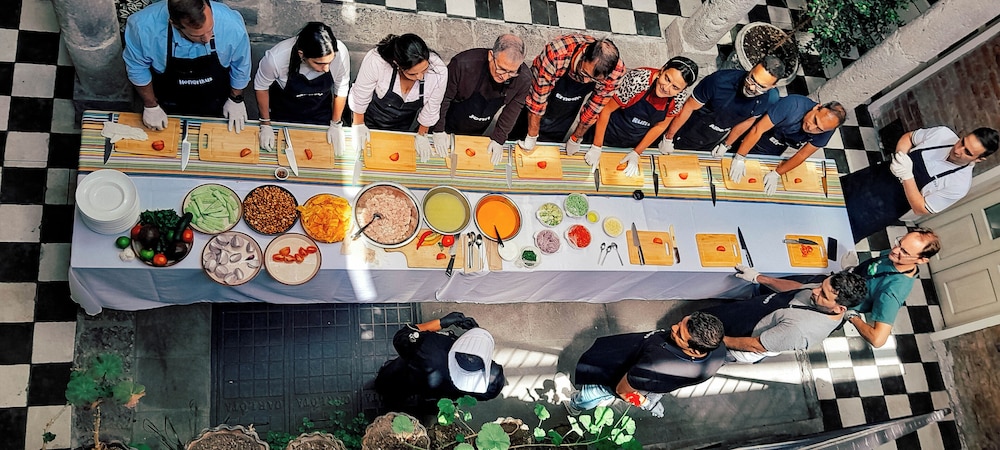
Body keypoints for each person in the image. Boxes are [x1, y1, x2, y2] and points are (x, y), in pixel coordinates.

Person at [843, 126, 999, 242]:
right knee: (830, 194)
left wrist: (907, 176)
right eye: (962, 142)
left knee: (840, 232)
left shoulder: (959, 185)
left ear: (979, 159)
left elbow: (920, 208)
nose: (958, 150)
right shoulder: (942, 134)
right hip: (869, 179)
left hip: (879, 210)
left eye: (968, 152)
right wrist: (900, 156)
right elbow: (909, 138)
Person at [123, 0, 252, 132]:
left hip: (217, 99)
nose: (207, 39)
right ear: (174, 24)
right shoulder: (142, 27)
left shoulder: (231, 24)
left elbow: (241, 65)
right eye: (198, 36)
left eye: (210, 29)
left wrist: (236, 98)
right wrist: (151, 105)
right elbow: (137, 68)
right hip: (167, 101)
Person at [568, 312, 726, 417]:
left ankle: (575, 405)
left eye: (679, 334)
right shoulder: (717, 352)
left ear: (694, 350)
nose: (673, 327)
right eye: (680, 323)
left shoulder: (656, 365)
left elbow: (623, 391)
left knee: (594, 392)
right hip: (636, 366)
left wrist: (646, 404)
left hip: (616, 378)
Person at [702, 269, 867, 363]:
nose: (815, 291)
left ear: (839, 309)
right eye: (820, 286)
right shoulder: (822, 290)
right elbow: (798, 288)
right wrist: (759, 278)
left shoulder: (800, 330)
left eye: (823, 294)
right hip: (746, 313)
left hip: (739, 341)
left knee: (697, 351)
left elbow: (756, 345)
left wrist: (715, 340)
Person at [583, 57, 699, 177]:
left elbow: (660, 126)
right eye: (667, 79)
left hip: (634, 142)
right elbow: (606, 111)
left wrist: (636, 152)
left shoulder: (678, 98)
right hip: (607, 132)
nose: (666, 88)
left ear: (683, 89)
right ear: (662, 70)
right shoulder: (638, 80)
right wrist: (597, 146)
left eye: (675, 87)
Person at [513, 34, 626, 156]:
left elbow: (594, 108)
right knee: (518, 131)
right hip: (540, 96)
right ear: (583, 55)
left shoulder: (616, 72)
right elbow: (537, 101)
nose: (586, 81)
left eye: (594, 79)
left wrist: (576, 138)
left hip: (567, 107)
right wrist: (532, 135)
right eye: (585, 73)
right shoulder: (557, 54)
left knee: (551, 142)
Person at [431, 34, 532, 165]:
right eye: (501, 69)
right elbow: (443, 98)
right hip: (449, 119)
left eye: (512, 72)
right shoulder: (463, 64)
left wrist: (498, 139)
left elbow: (513, 109)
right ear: (491, 56)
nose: (505, 77)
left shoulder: (523, 79)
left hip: (478, 128)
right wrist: (438, 129)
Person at [374, 312, 505, 411]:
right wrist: (476, 338)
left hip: (402, 377)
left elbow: (401, 337)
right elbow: (485, 394)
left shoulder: (431, 345)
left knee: (389, 387)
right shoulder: (491, 381)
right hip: (434, 395)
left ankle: (386, 394)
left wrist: (441, 322)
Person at [253, 22, 351, 155]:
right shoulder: (276, 59)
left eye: (330, 62)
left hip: (320, 113)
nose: (326, 69)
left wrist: (336, 123)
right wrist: (265, 124)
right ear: (301, 54)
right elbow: (261, 87)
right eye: (319, 63)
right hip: (284, 113)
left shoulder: (341, 53)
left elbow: (341, 88)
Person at [348, 34, 448, 162]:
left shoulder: (439, 71)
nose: (420, 77)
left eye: (424, 70)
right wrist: (358, 125)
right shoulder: (377, 61)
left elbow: (432, 108)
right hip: (371, 117)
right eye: (413, 74)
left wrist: (422, 135)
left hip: (402, 125)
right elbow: (360, 96)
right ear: (397, 64)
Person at [661, 55, 784, 156]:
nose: (751, 87)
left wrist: (726, 144)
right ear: (751, 69)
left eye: (760, 86)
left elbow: (748, 120)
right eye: (752, 79)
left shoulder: (769, 99)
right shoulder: (718, 81)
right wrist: (668, 137)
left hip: (714, 137)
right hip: (691, 127)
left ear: (772, 86)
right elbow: (688, 107)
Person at [728, 95, 847, 196]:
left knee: (751, 178)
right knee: (729, 163)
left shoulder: (827, 129)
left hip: (776, 146)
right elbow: (757, 130)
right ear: (817, 107)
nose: (811, 128)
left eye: (819, 129)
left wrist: (776, 173)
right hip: (757, 134)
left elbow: (802, 155)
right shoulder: (792, 105)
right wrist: (739, 157)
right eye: (815, 120)